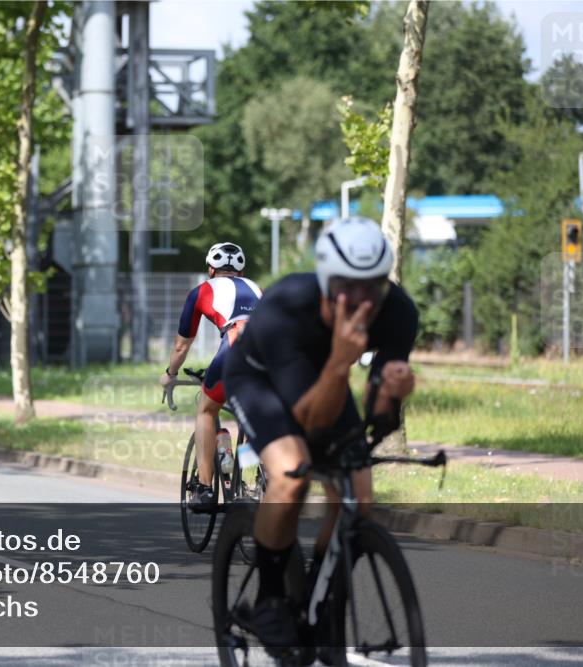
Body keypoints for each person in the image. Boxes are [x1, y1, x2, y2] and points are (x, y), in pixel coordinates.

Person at [223, 217, 418, 648]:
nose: (363, 300)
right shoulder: (286, 309)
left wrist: (392, 394)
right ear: (328, 282)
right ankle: (270, 600)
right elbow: (310, 424)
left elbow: (376, 418)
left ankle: (322, 604)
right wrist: (339, 361)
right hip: (259, 381)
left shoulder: (398, 312)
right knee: (292, 471)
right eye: (350, 287)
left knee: (359, 497)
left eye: (374, 286)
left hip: (323, 380)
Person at [159, 242, 262, 509]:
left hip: (237, 345)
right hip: (274, 350)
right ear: (241, 272)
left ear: (210, 269)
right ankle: (258, 473)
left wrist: (170, 374)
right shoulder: (256, 288)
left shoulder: (202, 290)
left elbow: (182, 345)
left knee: (206, 410)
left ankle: (205, 489)